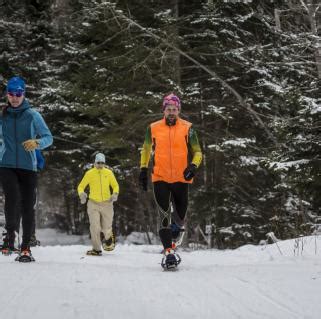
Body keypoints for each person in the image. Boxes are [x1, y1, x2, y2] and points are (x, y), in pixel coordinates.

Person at [139, 93, 202, 269]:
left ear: (179, 110)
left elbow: (197, 152)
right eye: (168, 109)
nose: (172, 112)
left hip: (182, 179)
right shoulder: (153, 128)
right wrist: (143, 169)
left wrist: (193, 166)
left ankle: (177, 231)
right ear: (164, 110)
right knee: (164, 215)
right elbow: (145, 149)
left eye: (174, 109)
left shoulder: (188, 128)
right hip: (160, 178)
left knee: (180, 216)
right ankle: (169, 253)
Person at [0, 76, 53, 260]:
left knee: (28, 206)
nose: (14, 98)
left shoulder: (33, 115)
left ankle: (25, 247)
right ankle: (10, 239)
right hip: (6, 165)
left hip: (28, 167)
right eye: (11, 94)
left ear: (24, 94)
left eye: (18, 94)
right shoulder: (3, 115)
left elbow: (48, 137)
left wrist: (36, 143)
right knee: (12, 199)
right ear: (7, 95)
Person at [77, 153, 119, 256]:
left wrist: (115, 194)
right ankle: (96, 249)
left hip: (107, 203)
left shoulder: (109, 173)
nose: (100, 165)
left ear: (104, 163)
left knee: (106, 228)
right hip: (93, 203)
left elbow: (115, 186)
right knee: (94, 226)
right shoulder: (89, 173)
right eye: (98, 163)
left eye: (102, 163)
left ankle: (108, 236)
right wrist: (82, 194)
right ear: (95, 163)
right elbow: (81, 186)